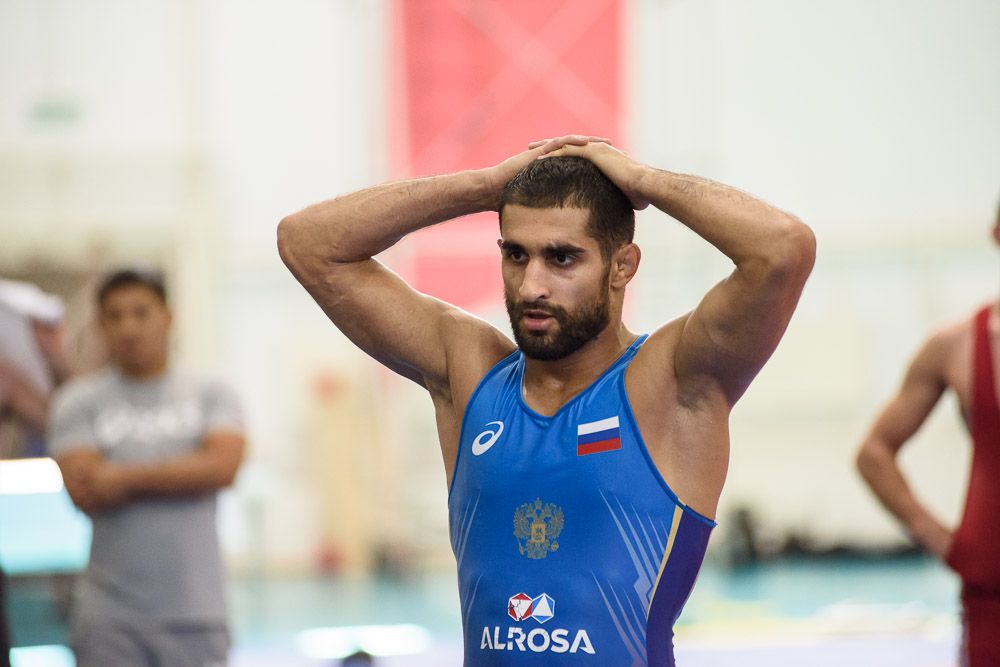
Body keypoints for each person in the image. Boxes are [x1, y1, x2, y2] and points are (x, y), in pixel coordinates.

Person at [278, 135, 815, 665]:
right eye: (516, 254)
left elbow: (783, 249)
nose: (531, 286)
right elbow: (306, 243)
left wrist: (643, 181)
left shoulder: (674, 382)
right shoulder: (469, 372)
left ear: (622, 266)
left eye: (561, 258)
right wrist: (482, 187)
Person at [47, 269, 246, 667]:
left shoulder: (211, 392)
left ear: (168, 318)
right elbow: (86, 490)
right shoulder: (77, 402)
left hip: (197, 615)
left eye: (141, 313)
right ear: (101, 326)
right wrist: (187, 470)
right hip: (110, 620)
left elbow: (222, 469)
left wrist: (120, 476)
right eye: (115, 316)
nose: (129, 327)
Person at [856, 206, 1000, 667]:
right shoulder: (956, 345)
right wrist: (936, 535)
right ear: (996, 233)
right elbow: (874, 452)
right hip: (990, 585)